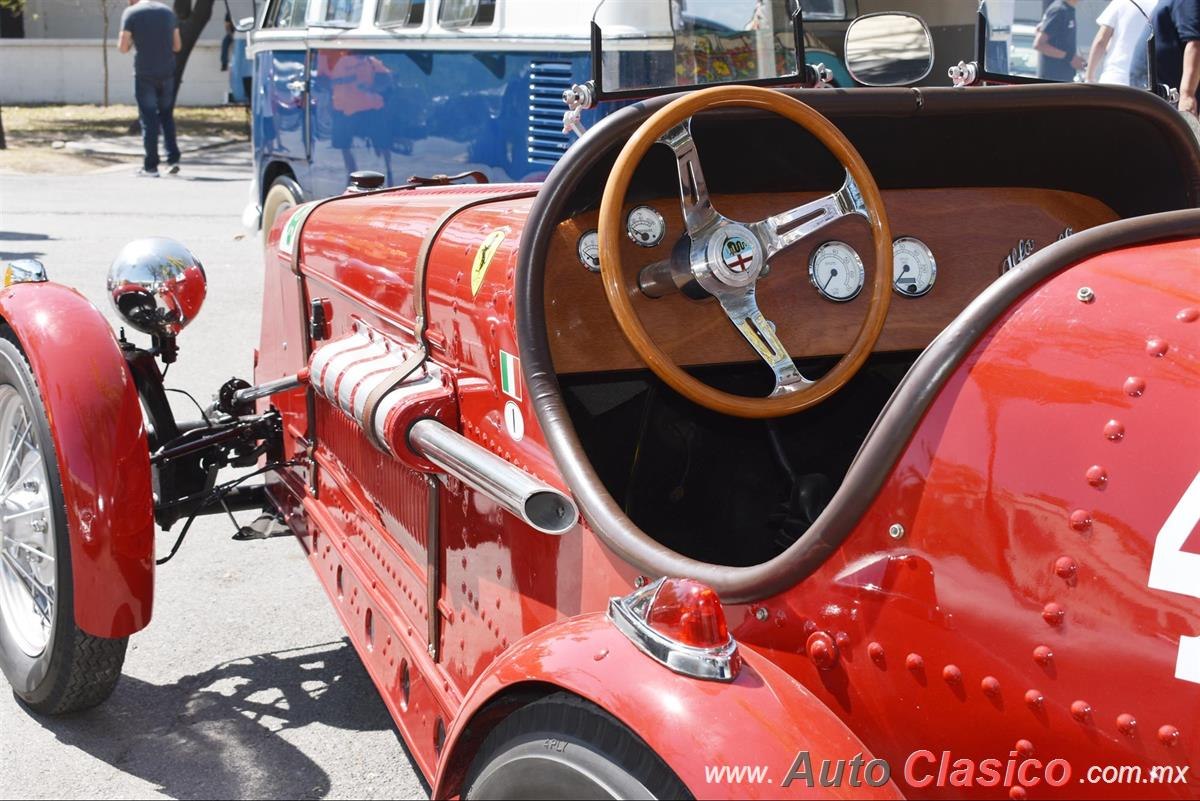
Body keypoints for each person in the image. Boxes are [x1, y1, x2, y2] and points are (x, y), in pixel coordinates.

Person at [118, 0, 182, 177]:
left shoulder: (131, 13)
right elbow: (177, 46)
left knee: (148, 118)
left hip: (145, 73)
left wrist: (133, 43)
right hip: (167, 73)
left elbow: (123, 47)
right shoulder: (168, 12)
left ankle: (151, 166)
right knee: (166, 115)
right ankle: (173, 160)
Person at [1087, 0, 1160, 87]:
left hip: (1113, 79)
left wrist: (1089, 76)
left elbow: (1101, 41)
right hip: (1144, 84)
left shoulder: (1121, 2)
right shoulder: (1159, 5)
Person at [1154, 0, 1200, 117]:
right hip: (1162, 96)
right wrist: (1187, 95)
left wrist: (1187, 95)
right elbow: (1195, 43)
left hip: (1167, 98)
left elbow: (1195, 43)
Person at [1034, 0, 1086, 81]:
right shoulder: (1058, 10)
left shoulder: (1069, 9)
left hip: (1065, 77)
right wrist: (1070, 58)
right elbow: (1039, 45)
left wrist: (1076, 60)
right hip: (1052, 79)